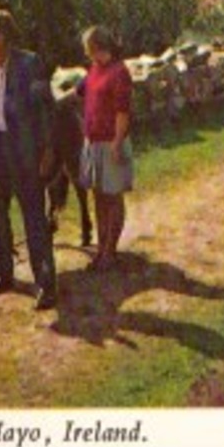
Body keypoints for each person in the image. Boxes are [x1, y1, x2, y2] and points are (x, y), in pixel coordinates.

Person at [0, 8, 58, 311]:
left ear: (3, 36)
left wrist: (47, 150)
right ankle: (3, 274)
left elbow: (46, 110)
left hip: (24, 151)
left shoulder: (29, 64)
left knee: (33, 216)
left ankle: (46, 284)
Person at [75, 25, 134, 270]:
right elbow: (81, 92)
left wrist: (118, 144)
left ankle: (111, 251)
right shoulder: (94, 70)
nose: (86, 53)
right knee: (98, 196)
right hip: (93, 141)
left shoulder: (119, 72)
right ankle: (101, 249)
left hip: (111, 141)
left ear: (98, 46)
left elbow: (123, 111)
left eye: (88, 48)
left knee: (113, 196)